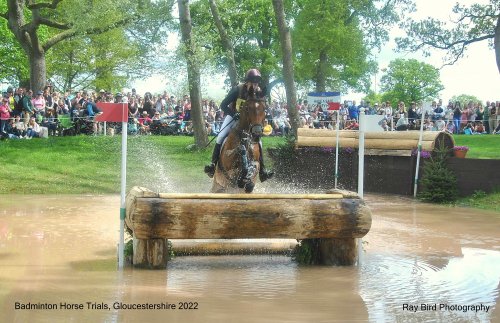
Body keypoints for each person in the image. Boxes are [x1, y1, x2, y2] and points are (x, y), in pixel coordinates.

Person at [204, 69, 274, 182]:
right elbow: (223, 105)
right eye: (253, 82)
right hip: (233, 116)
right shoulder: (238, 89)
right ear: (248, 81)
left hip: (249, 121)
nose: (255, 85)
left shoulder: (258, 91)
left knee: (259, 142)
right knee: (221, 136)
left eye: (257, 83)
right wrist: (233, 114)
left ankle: (263, 171)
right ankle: (213, 165)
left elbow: (260, 107)